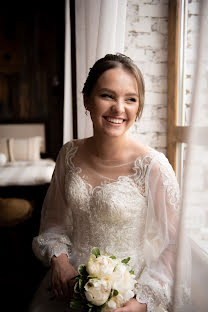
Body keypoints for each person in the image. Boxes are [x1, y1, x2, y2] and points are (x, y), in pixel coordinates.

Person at [29, 53, 181, 312]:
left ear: (139, 106)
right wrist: (60, 260)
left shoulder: (153, 166)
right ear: (87, 99)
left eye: (130, 99)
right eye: (107, 96)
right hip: (68, 289)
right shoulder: (69, 154)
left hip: (127, 299)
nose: (119, 108)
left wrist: (140, 303)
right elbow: (54, 221)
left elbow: (174, 245)